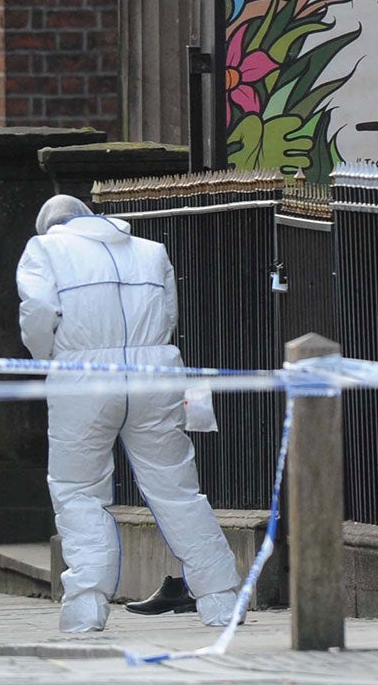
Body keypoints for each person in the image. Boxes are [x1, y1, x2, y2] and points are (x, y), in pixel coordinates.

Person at [17, 194, 241, 634]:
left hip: (82, 376)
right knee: (176, 488)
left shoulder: (44, 249)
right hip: (153, 373)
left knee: (78, 490)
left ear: (52, 227)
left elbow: (39, 311)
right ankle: (221, 600)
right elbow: (169, 314)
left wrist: (48, 357)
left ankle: (85, 608)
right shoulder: (150, 251)